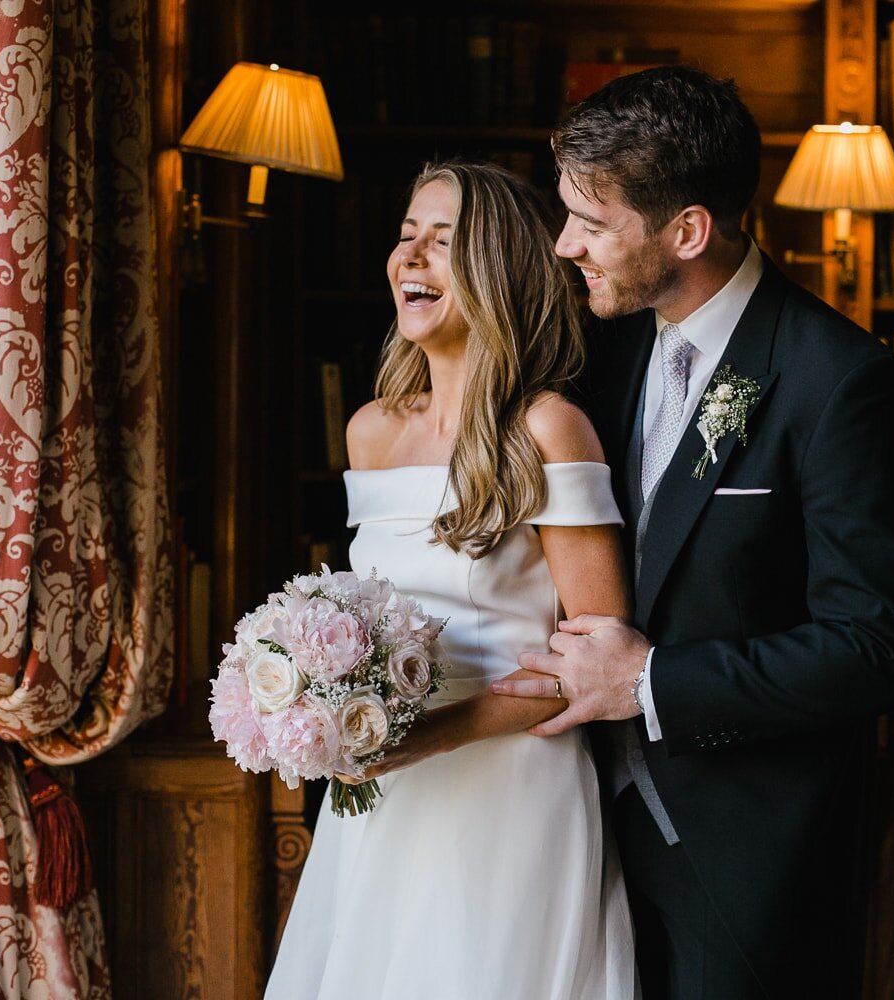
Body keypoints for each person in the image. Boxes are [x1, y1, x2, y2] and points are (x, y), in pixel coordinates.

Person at [492, 66, 894, 999]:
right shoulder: (598, 356)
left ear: (687, 230)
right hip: (570, 837)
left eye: (593, 221)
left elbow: (877, 649)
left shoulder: (844, 383)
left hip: (743, 860)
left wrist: (648, 680)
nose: (566, 244)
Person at [264, 161, 637, 1000]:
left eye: (443, 241)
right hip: (383, 800)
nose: (411, 258)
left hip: (511, 791)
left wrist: (426, 738)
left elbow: (596, 667)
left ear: (498, 270)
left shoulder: (548, 427)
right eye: (405, 238)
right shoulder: (370, 431)